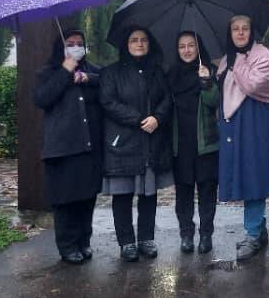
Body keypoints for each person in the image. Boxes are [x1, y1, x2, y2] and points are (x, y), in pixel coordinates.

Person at [100, 25, 173, 262]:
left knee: (148, 194)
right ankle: (126, 242)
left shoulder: (157, 71)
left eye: (143, 40)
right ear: (126, 44)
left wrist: (158, 118)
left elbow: (167, 98)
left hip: (150, 141)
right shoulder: (111, 73)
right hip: (123, 142)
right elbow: (108, 102)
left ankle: (146, 238)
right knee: (122, 195)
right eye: (134, 40)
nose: (139, 44)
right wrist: (139, 119)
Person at [216, 15, 269, 261]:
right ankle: (258, 227)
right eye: (235, 29)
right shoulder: (226, 58)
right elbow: (221, 90)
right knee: (243, 176)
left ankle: (253, 233)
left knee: (254, 175)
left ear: (251, 31)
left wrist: (236, 64)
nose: (240, 33)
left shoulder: (262, 55)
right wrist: (208, 78)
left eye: (245, 28)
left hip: (258, 122)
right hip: (235, 125)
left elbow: (253, 86)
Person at [33, 29, 103, 264]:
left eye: (79, 43)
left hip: (89, 146)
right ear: (60, 47)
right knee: (65, 200)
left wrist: (87, 78)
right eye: (70, 43)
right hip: (62, 148)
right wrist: (65, 70)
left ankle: (84, 241)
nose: (75, 47)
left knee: (87, 198)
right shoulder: (48, 72)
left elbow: (107, 83)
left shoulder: (92, 70)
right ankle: (67, 246)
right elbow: (42, 98)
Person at [168, 31, 221, 255]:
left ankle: (206, 234)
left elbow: (215, 101)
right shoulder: (171, 74)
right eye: (182, 46)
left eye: (191, 45)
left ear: (198, 48)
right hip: (180, 143)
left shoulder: (209, 70)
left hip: (205, 142)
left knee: (207, 190)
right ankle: (186, 234)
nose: (187, 50)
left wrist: (206, 81)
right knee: (183, 191)